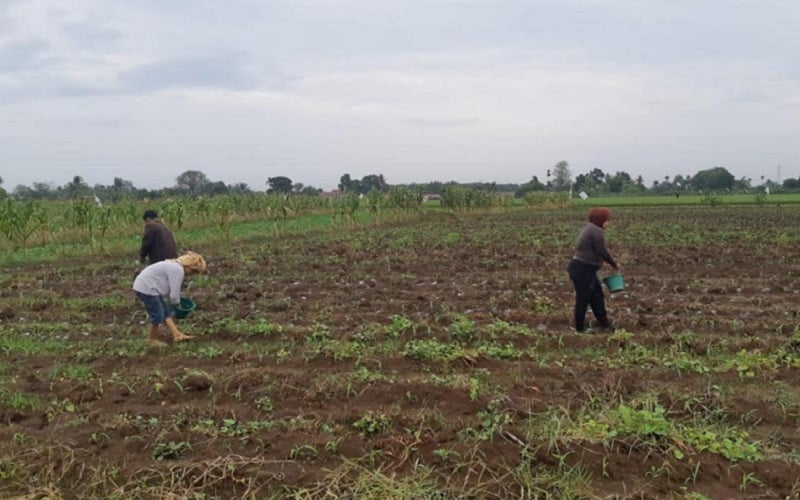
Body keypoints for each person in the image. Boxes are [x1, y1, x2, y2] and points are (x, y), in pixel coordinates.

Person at [133, 251, 207, 346]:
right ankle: (151, 340)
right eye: (194, 271)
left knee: (165, 312)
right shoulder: (178, 270)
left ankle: (177, 334)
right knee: (158, 315)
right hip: (147, 288)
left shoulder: (173, 265)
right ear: (189, 266)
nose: (192, 275)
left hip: (146, 285)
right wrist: (177, 305)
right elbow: (174, 294)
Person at [567, 207, 619, 333]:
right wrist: (613, 264)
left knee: (596, 295)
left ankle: (604, 324)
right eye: (607, 220)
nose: (608, 222)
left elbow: (595, 251)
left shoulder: (590, 228)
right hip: (583, 270)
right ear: (601, 219)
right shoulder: (596, 231)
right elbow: (601, 251)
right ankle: (579, 329)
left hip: (583, 269)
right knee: (583, 298)